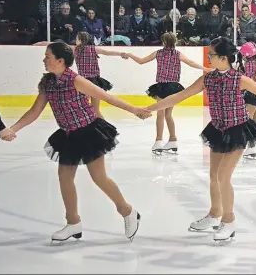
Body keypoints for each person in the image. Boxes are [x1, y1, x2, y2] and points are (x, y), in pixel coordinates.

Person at [145, 37, 256, 241]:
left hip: (238, 129)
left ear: (223, 58)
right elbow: (179, 97)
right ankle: (215, 214)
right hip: (218, 129)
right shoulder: (207, 78)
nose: (208, 59)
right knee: (214, 176)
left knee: (223, 176)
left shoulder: (239, 79)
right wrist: (148, 108)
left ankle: (229, 220)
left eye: (211, 56)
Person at [9, 42, 150, 242]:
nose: (44, 59)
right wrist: (13, 128)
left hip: (88, 133)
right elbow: (34, 111)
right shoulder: (47, 83)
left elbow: (107, 98)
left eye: (48, 56)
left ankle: (128, 211)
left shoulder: (76, 80)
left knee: (99, 178)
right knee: (64, 178)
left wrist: (135, 110)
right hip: (67, 136)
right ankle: (73, 222)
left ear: (60, 61)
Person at [123, 32, 211, 154]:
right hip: (173, 87)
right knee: (168, 115)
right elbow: (191, 62)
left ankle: (158, 141)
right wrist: (205, 68)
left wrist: (130, 54)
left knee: (160, 114)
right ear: (174, 42)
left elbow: (141, 61)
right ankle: (173, 140)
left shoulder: (158, 53)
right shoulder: (178, 54)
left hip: (162, 87)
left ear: (164, 42)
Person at [34, 32, 126, 119]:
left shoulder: (76, 49)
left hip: (84, 82)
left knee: (85, 108)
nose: (75, 40)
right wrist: (121, 54)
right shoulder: (93, 49)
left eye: (77, 39)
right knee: (95, 110)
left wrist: (42, 43)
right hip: (93, 81)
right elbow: (106, 52)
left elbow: (58, 45)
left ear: (82, 40)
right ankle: (102, 129)